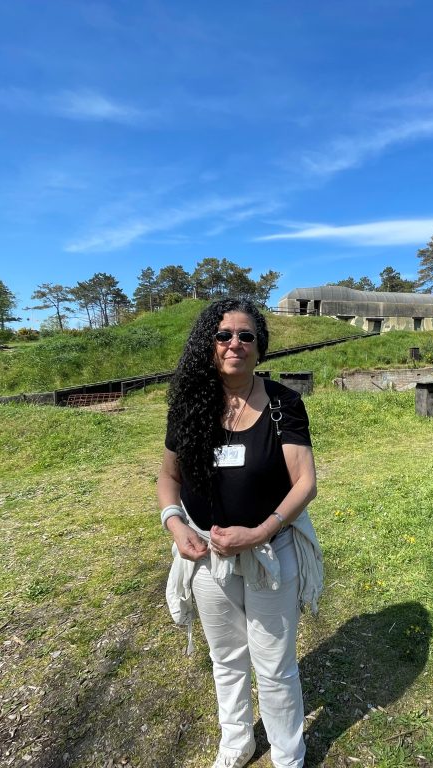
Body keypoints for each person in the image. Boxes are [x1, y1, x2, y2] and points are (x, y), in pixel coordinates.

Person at [158, 297, 319, 768]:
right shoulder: (189, 405)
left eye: (246, 336)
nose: (235, 344)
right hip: (207, 555)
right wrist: (174, 523)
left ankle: (288, 754)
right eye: (224, 335)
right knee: (227, 658)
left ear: (259, 346)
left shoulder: (284, 403)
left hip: (272, 552)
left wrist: (261, 532)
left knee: (273, 664)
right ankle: (237, 743)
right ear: (208, 345)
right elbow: (168, 477)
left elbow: (305, 482)